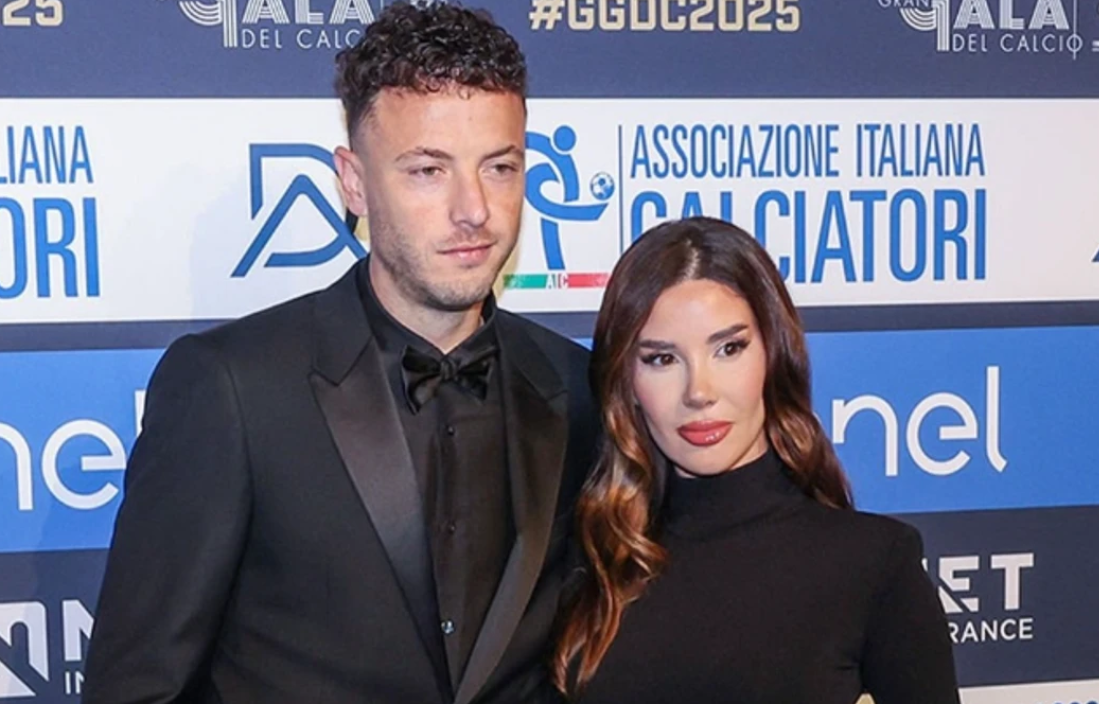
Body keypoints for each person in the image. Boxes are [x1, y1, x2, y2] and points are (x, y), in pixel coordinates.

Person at [82, 4, 597, 703]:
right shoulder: (233, 389)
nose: (473, 209)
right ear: (353, 183)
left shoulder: (576, 385)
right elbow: (136, 687)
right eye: (428, 170)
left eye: (499, 167)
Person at [552, 217, 959, 704]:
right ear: (627, 383)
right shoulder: (584, 560)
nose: (699, 392)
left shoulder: (873, 565)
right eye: (662, 359)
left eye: (729, 349)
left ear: (773, 353)